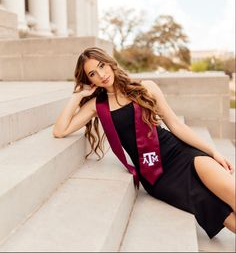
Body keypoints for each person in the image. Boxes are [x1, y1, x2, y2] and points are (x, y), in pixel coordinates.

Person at [53, 46, 235, 239]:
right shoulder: (97, 106)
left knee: (231, 192)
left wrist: (213, 152)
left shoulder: (145, 87)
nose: (101, 74)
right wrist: (78, 96)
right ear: (89, 80)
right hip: (157, 175)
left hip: (179, 153)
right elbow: (60, 130)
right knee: (221, 213)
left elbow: (175, 125)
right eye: (93, 73)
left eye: (102, 66)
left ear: (109, 63)